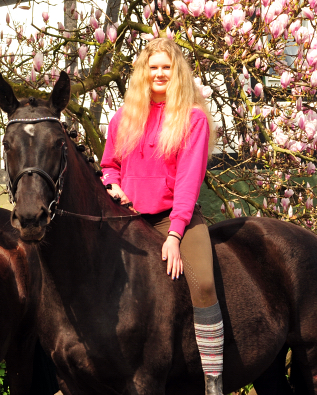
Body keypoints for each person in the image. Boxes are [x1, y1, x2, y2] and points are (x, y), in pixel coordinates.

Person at [99, 38, 224, 395]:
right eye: (152, 67)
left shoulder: (192, 118)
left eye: (166, 67)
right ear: (143, 72)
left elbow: (188, 179)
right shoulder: (124, 117)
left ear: (177, 73)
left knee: (202, 283)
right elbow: (109, 166)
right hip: (128, 217)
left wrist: (175, 234)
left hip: (174, 217)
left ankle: (213, 380)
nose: (159, 73)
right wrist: (114, 185)